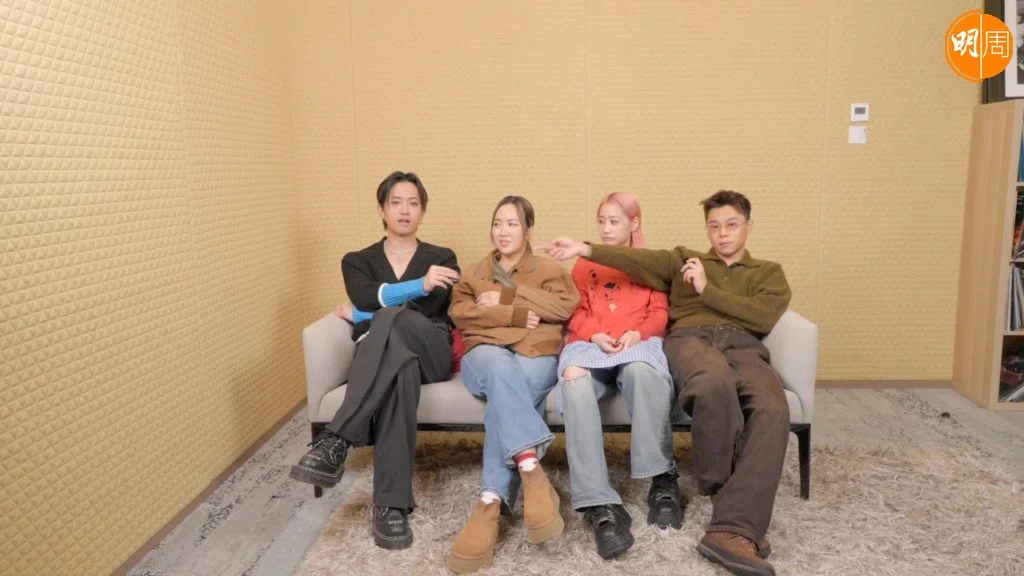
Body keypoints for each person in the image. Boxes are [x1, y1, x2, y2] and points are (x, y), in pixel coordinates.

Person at [544, 190, 791, 576]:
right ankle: (726, 500)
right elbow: (635, 259)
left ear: (749, 226)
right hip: (693, 340)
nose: (723, 233)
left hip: (744, 345)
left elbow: (762, 316)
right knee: (711, 383)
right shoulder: (684, 260)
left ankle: (732, 524)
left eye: (732, 224)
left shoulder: (768, 272)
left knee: (774, 408)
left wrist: (706, 289)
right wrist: (585, 248)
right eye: (714, 226)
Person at [289, 171, 461, 551]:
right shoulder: (357, 261)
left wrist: (363, 314)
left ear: (423, 211)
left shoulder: (442, 258)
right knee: (400, 371)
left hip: (431, 350)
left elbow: (425, 309)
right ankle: (390, 507)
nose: (404, 210)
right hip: (390, 359)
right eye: (396, 202)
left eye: (413, 203)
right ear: (382, 209)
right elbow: (369, 296)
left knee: (389, 318)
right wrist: (417, 286)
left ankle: (336, 438)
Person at [446, 196, 579, 574]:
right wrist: (517, 315)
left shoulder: (550, 269)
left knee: (509, 392)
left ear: (529, 230)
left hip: (536, 353)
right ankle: (531, 469)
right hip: (485, 355)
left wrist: (506, 297)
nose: (502, 232)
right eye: (497, 223)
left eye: (512, 224)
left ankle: (490, 500)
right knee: (502, 370)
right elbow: (462, 315)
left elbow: (564, 307)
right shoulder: (474, 273)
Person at [556, 193, 680, 560]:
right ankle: (600, 503)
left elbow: (660, 313)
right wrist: (593, 333)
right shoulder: (583, 265)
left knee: (642, 372)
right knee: (573, 379)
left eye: (614, 221)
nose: (606, 229)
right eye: (601, 221)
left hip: (635, 342)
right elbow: (575, 311)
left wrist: (637, 334)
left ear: (634, 223)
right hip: (591, 343)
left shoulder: (649, 264)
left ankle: (663, 479)